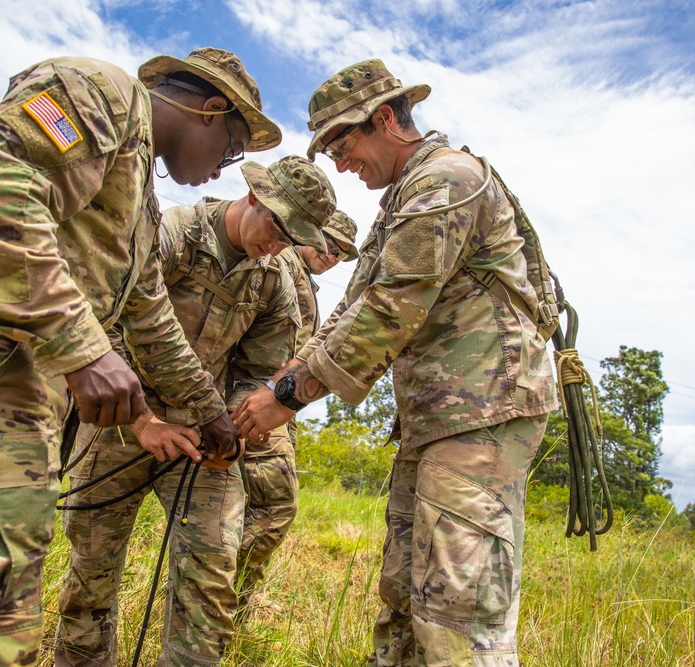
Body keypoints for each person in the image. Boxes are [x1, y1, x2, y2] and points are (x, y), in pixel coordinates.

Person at [0, 47, 280, 666]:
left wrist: (209, 413)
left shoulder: (140, 198)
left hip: (25, 376)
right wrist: (82, 348)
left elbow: (150, 317)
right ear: (210, 110)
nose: (224, 170)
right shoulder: (100, 89)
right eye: (231, 151)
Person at [233, 59, 558, 667]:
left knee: (458, 618)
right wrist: (281, 383)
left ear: (385, 119)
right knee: (406, 603)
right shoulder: (400, 200)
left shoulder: (448, 182)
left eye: (341, 142)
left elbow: (388, 310)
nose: (337, 162)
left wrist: (286, 398)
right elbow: (350, 310)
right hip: (435, 424)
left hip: (480, 419)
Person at [54, 155, 336, 667]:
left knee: (210, 581)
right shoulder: (173, 234)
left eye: (290, 241)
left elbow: (259, 372)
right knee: (90, 575)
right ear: (253, 198)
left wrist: (233, 430)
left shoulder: (273, 280)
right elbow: (103, 320)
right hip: (119, 421)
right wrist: (141, 420)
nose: (275, 247)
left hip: (203, 438)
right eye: (274, 228)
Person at [235, 210, 358, 609]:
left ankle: (225, 600)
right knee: (275, 505)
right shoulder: (281, 263)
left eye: (341, 252)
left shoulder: (302, 278)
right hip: (255, 402)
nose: (332, 255)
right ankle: (219, 596)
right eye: (328, 243)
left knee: (246, 506)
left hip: (272, 406)